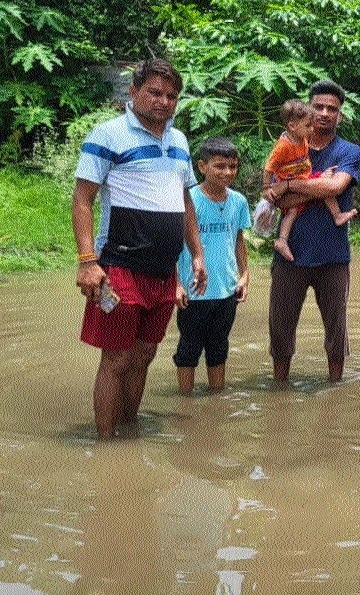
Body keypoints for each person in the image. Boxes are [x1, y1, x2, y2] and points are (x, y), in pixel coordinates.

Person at [72, 57, 206, 439]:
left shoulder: (179, 142)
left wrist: (196, 253)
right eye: (154, 93)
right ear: (133, 93)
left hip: (164, 271)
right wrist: (87, 262)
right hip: (119, 267)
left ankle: (127, 431)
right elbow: (83, 200)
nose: (163, 101)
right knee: (116, 358)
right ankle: (105, 444)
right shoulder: (108, 135)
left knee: (145, 355)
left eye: (171, 96)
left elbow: (185, 201)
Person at [262, 80, 360, 384]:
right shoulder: (288, 148)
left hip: (333, 257)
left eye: (332, 109)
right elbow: (273, 197)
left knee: (337, 331)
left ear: (340, 116)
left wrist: (290, 184)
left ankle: (336, 389)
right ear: (307, 110)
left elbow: (334, 186)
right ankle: (280, 389)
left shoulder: (349, 151)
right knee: (280, 330)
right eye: (318, 106)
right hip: (290, 254)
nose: (324, 113)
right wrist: (292, 190)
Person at [174, 137, 251, 394]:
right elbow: (174, 246)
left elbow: (238, 240)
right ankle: (185, 402)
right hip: (194, 290)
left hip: (227, 290)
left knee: (219, 347)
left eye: (232, 166)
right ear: (202, 166)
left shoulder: (238, 201)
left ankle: (216, 402)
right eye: (219, 166)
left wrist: (245, 276)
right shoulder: (188, 200)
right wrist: (176, 285)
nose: (227, 172)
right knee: (189, 349)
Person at [262, 99, 357, 263]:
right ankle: (283, 240)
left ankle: (283, 240)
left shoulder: (302, 140)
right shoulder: (283, 146)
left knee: (322, 189)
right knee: (294, 209)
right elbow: (269, 167)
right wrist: (266, 187)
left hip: (299, 179)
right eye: (308, 126)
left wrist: (314, 180)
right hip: (291, 180)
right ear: (292, 126)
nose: (312, 129)